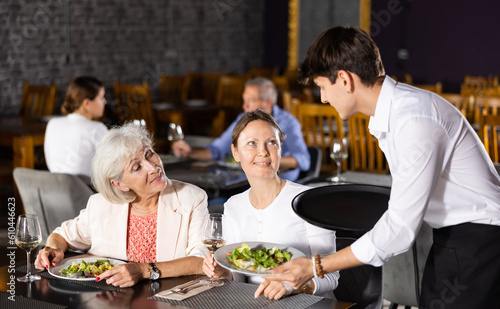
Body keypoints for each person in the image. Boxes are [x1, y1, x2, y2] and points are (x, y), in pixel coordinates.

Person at [262, 26, 500, 308]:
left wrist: (316, 266)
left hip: (481, 241)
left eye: (322, 87)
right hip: (457, 237)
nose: (323, 98)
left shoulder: (414, 120)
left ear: (344, 79)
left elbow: (399, 229)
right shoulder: (397, 111)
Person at [35, 123, 209, 287]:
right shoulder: (100, 205)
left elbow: (202, 261)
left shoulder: (192, 198)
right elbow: (62, 236)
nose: (153, 167)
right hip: (111, 299)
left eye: (149, 154)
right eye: (137, 167)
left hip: (168, 298)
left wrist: (143, 270)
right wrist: (53, 250)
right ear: (120, 184)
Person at [202, 109, 339, 300]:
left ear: (281, 150)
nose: (263, 152)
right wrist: (223, 273)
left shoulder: (309, 201)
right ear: (235, 152)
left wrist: (296, 286)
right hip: (258, 302)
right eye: (252, 143)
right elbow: (239, 275)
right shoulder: (233, 206)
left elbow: (332, 275)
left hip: (312, 303)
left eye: (272, 143)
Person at [172, 77, 310, 181]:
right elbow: (218, 149)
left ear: (267, 102)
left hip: (278, 186)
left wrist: (263, 160)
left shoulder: (288, 123)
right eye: (244, 101)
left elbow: (303, 161)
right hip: (243, 183)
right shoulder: (242, 119)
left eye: (250, 101)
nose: (245, 106)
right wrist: (190, 151)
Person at [44, 76, 108, 181]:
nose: (105, 101)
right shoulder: (97, 128)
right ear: (87, 103)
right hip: (87, 193)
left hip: (55, 190)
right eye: (101, 97)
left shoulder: (52, 123)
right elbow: (112, 168)